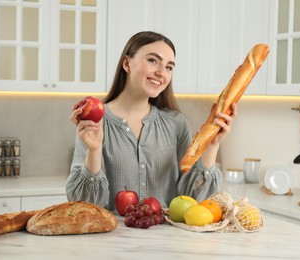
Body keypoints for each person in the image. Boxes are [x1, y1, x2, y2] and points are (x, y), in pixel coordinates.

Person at [66, 31, 237, 210]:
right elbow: (83, 205)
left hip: (169, 237)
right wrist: (94, 150)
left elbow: (193, 199)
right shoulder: (95, 123)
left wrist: (212, 145)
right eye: (153, 60)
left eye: (169, 67)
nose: (161, 73)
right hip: (113, 237)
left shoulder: (176, 124)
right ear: (127, 63)